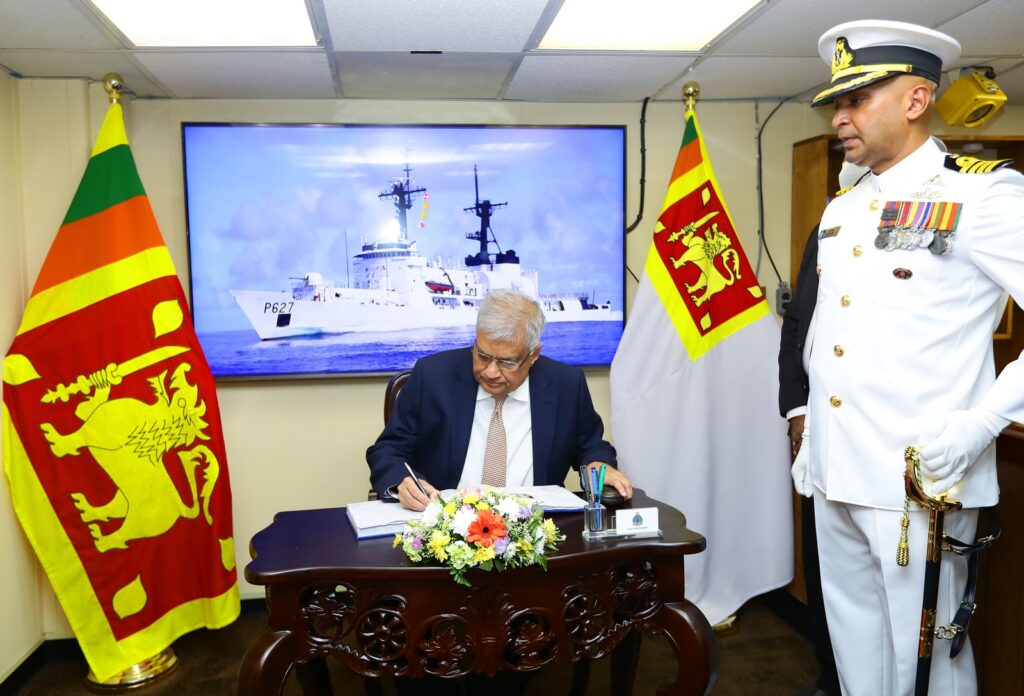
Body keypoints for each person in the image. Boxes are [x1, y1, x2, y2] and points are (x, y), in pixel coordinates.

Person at [802, 19, 1024, 695]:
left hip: (920, 477)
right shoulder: (845, 207)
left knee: (928, 667)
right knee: (856, 657)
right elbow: (834, 331)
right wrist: (814, 433)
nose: (839, 118)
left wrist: (980, 425)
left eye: (856, 100)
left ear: (916, 100)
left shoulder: (981, 195)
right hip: (836, 470)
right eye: (836, 103)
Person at [367, 287, 633, 511]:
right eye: (482, 355)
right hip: (445, 527)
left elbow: (590, 446)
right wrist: (402, 481)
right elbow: (388, 450)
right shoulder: (434, 375)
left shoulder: (565, 384)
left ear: (534, 355)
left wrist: (599, 466)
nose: (490, 372)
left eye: (507, 362)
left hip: (536, 528)